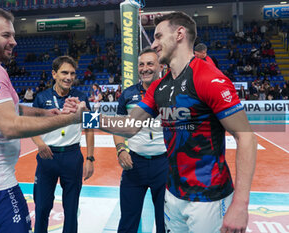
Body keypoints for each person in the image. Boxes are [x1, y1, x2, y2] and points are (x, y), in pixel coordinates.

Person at [86, 11, 257, 233]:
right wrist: (82, 117)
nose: (154, 44)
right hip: (173, 194)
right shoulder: (160, 87)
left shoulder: (210, 79)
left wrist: (241, 205)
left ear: (179, 34)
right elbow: (129, 126)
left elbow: (246, 137)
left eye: (158, 36)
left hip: (209, 198)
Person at [0, 6, 85, 233]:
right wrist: (69, 119)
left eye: (13, 35)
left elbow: (12, 108)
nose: (14, 41)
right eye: (6, 35)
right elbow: (9, 126)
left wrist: (45, 113)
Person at [32, 56, 95, 233]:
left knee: (71, 209)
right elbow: (31, 127)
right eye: (64, 72)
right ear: (54, 74)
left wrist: (90, 158)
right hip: (47, 157)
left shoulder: (81, 98)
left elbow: (90, 128)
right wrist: (39, 144)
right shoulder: (41, 97)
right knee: (42, 207)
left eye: (72, 73)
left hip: (72, 157)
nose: (68, 77)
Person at [113, 47, 168, 233]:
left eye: (150, 64)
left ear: (160, 66)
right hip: (134, 164)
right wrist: (121, 149)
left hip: (164, 164)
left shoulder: (170, 92)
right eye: (142, 65)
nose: (145, 68)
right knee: (128, 220)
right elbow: (118, 127)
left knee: (165, 222)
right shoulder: (127, 94)